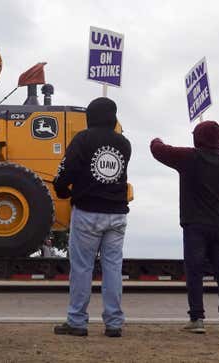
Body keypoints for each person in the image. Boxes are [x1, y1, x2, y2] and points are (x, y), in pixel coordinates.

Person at [53, 97, 131, 338]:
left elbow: (66, 171)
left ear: (90, 116)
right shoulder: (125, 144)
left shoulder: (83, 139)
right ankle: (114, 323)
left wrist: (61, 189)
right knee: (113, 269)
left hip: (87, 213)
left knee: (82, 268)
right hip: (117, 215)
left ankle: (77, 321)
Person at [150, 121, 219, 335]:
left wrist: (156, 139)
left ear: (198, 137)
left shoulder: (189, 157)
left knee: (195, 272)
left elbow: (158, 150)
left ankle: (197, 319)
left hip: (195, 225)